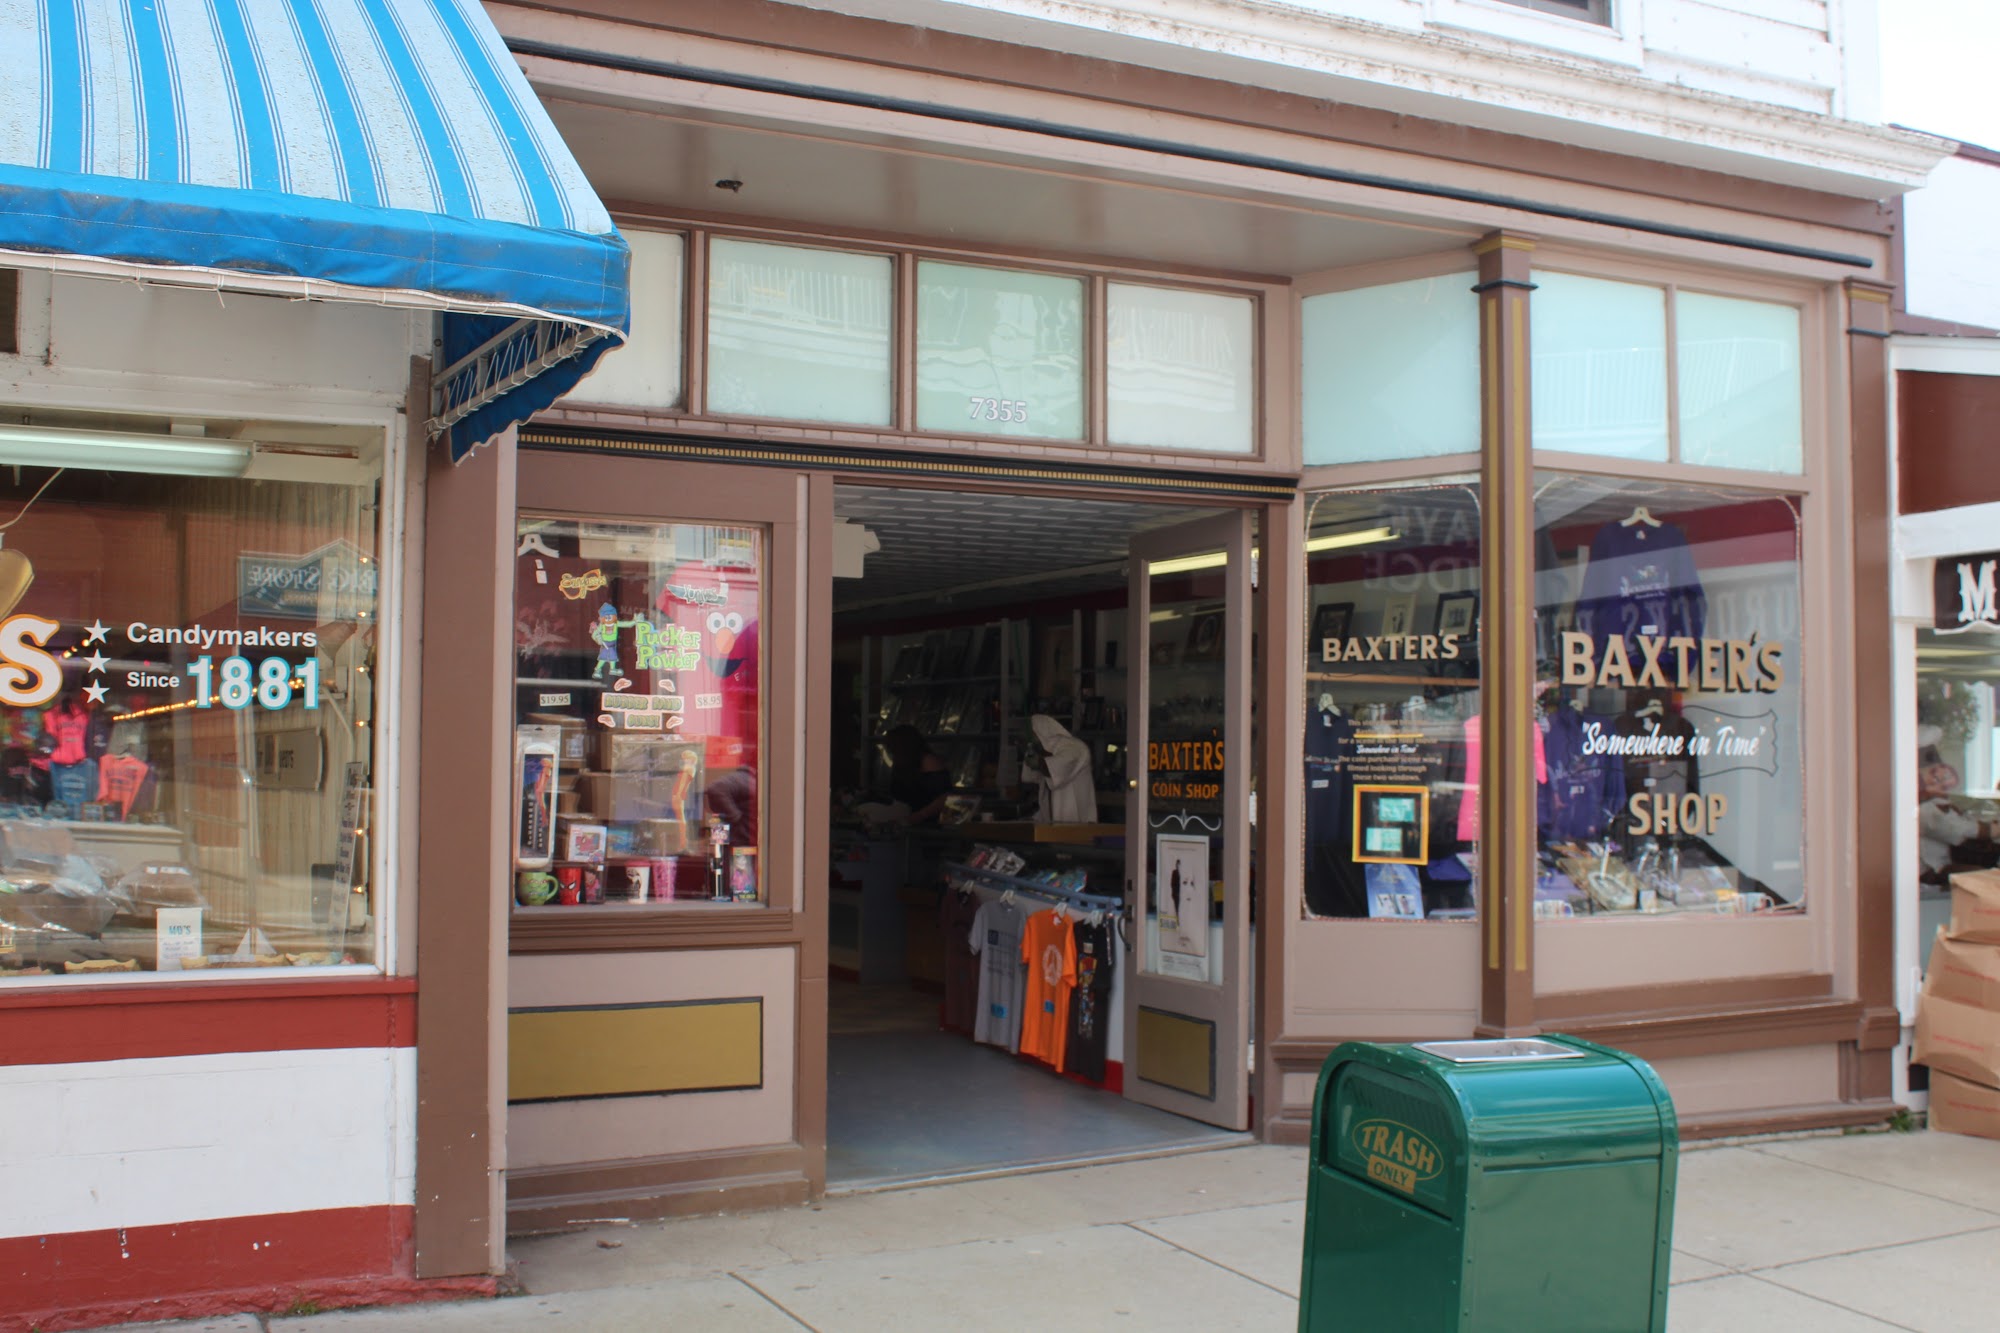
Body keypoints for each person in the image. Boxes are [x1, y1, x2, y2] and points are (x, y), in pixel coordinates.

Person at [1918, 724, 2000, 887]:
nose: (1941, 779)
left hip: (1949, 859)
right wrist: (1992, 829)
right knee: (1984, 879)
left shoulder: (1937, 804)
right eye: (1934, 777)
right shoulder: (1924, 811)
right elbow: (1959, 829)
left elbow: (1962, 820)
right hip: (1934, 872)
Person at [880, 724, 951, 825]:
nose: (890, 751)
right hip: (905, 821)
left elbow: (943, 798)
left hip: (925, 824)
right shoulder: (902, 763)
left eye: (893, 747)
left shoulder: (928, 762)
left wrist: (919, 816)